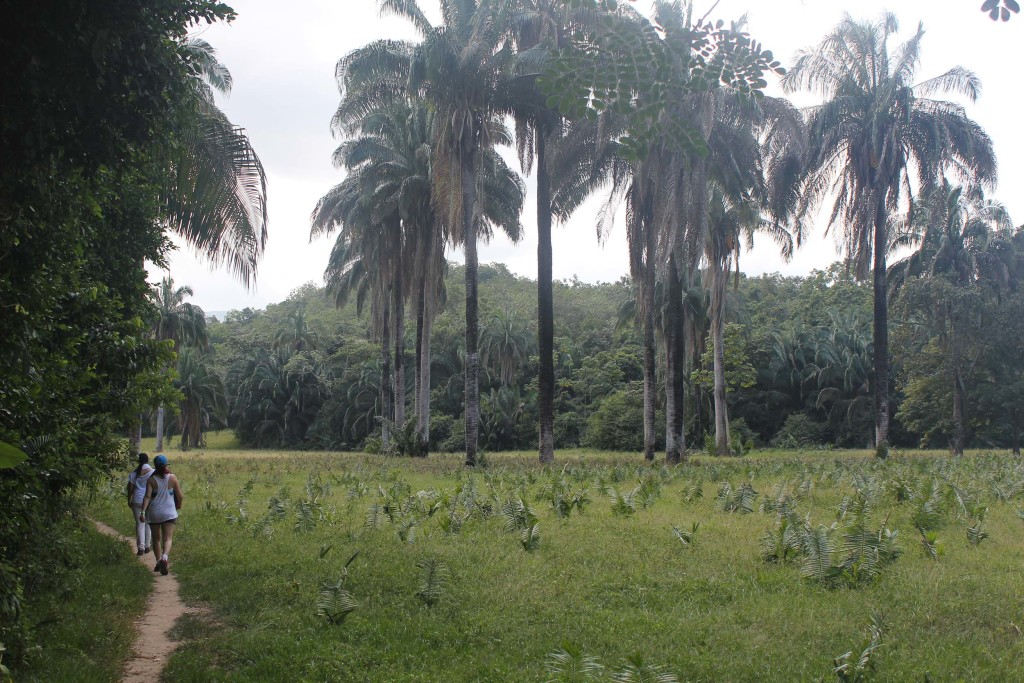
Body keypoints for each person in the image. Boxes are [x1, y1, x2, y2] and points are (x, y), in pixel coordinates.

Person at [139, 454, 182, 576]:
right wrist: (179, 504)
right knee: (167, 538)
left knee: (156, 539)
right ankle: (164, 557)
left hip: (154, 513)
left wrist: (142, 512)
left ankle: (158, 561)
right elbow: (180, 495)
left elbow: (147, 496)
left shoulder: (151, 480)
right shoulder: (172, 478)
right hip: (169, 513)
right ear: (166, 465)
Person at [126, 453, 153, 555]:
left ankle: (140, 548)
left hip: (136, 500)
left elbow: (130, 489)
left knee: (139, 524)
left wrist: (129, 500)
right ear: (148, 460)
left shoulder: (134, 473)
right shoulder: (152, 472)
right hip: (149, 501)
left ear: (138, 461)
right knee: (148, 523)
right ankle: (147, 546)